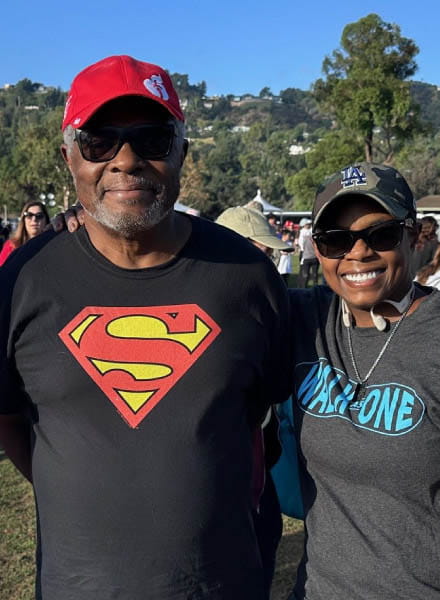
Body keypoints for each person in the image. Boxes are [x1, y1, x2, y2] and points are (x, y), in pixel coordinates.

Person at [0, 55, 290, 600]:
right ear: (70, 158)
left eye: (152, 139)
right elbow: (7, 415)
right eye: (99, 142)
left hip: (222, 584)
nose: (126, 160)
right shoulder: (23, 279)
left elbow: (258, 414)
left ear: (182, 152)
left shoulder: (247, 277)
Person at [285, 162, 440, 599]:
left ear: (415, 234)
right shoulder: (305, 320)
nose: (358, 252)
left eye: (381, 234)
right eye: (335, 240)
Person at [0, 200, 50, 266]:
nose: (34, 219)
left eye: (39, 216)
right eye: (29, 215)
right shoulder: (11, 246)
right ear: (23, 220)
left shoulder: (53, 245)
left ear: (46, 220)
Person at [297, 217, 319, 287]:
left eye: (309, 224)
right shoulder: (302, 232)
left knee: (314, 274)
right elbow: (301, 244)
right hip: (305, 254)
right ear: (304, 225)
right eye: (307, 224)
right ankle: (302, 286)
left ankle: (314, 287)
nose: (309, 225)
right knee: (304, 273)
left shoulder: (311, 231)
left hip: (313, 255)